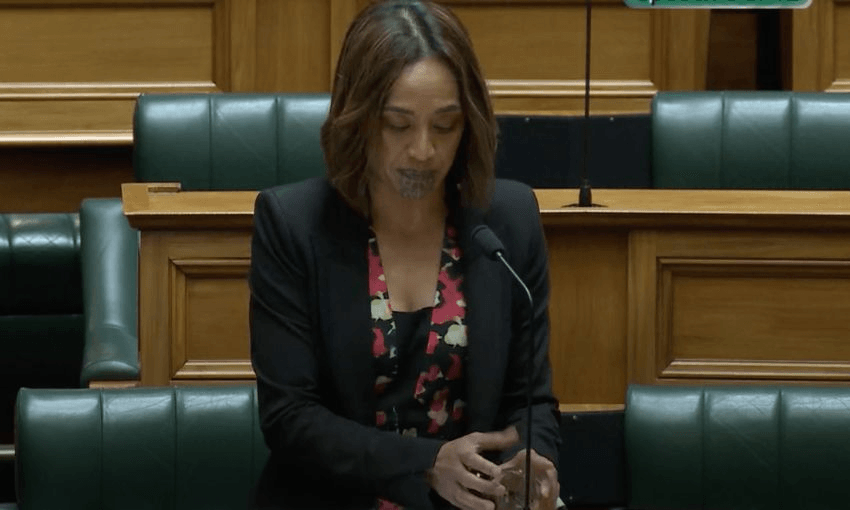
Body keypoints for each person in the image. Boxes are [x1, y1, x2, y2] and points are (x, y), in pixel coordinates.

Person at [249, 1, 562, 509]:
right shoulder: (293, 224)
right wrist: (426, 464)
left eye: (445, 126)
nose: (423, 150)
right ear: (357, 120)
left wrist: (530, 459)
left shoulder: (509, 220)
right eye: (398, 125)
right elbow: (290, 417)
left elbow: (531, 401)